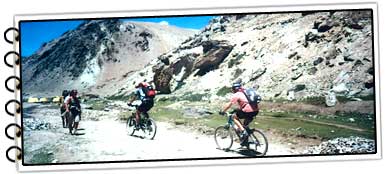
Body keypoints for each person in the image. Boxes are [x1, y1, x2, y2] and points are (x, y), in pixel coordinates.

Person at [219, 82, 259, 146]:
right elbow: (245, 103)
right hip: (255, 111)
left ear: (234, 89)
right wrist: (237, 109)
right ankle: (246, 140)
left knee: (234, 117)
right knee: (245, 125)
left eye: (232, 89)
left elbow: (229, 105)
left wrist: (223, 111)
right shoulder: (246, 92)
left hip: (247, 111)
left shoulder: (237, 94)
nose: (232, 91)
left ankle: (243, 132)